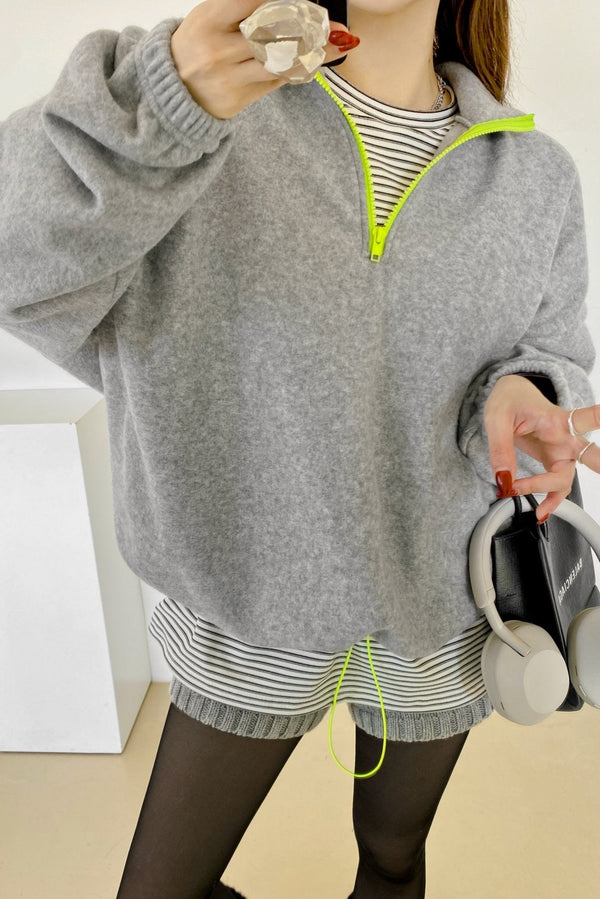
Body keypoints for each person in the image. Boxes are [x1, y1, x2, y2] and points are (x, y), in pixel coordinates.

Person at [1, 1, 598, 897]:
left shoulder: (535, 175)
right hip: (250, 603)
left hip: (440, 607)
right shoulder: (208, 105)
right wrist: (166, 101)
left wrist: (525, 390)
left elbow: (552, 347)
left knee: (393, 859)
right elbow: (19, 268)